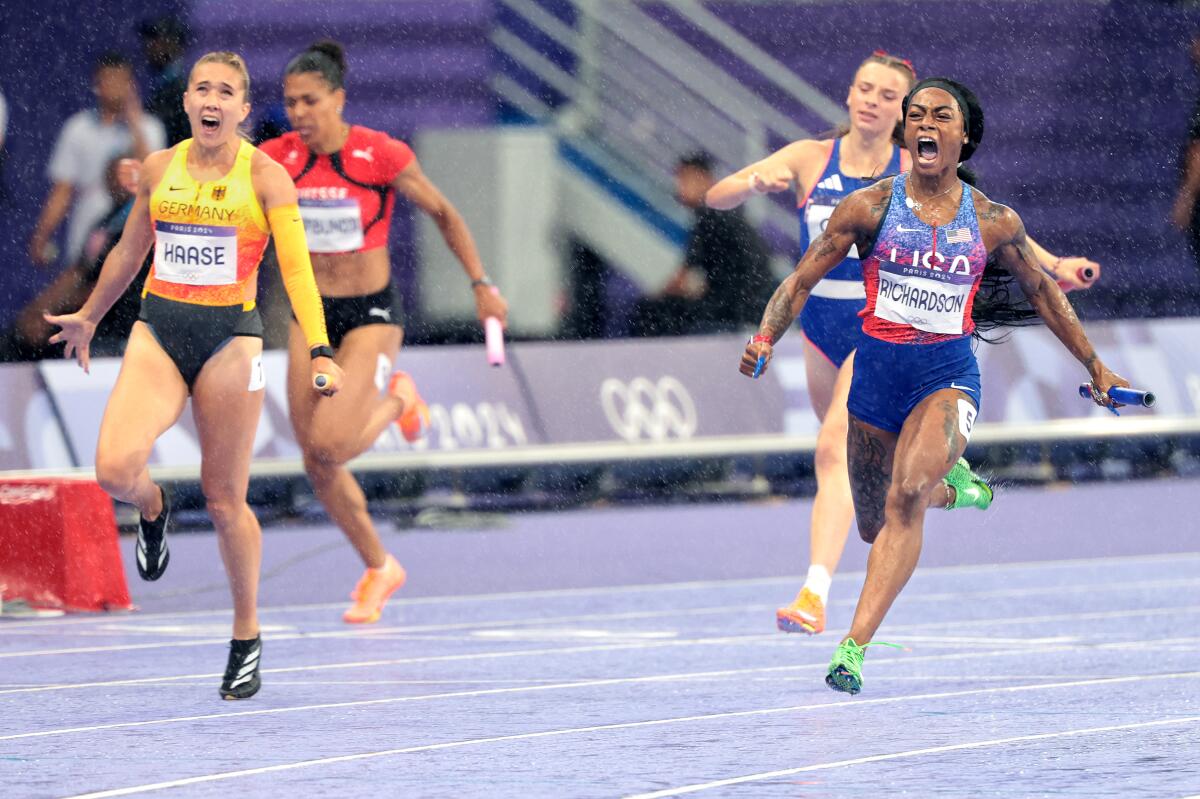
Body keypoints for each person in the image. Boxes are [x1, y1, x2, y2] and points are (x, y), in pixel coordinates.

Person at [739, 77, 1128, 695]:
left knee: (907, 496)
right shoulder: (868, 207)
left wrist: (1096, 367)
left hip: (945, 379)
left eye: (940, 115)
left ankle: (852, 649)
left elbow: (1045, 295)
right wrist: (765, 336)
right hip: (875, 380)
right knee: (874, 524)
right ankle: (960, 487)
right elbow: (802, 277)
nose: (925, 123)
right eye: (915, 114)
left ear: (961, 137)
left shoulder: (993, 221)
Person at [45, 51, 342, 701]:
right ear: (186, 104)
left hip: (231, 343)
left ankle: (245, 634)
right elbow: (130, 250)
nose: (212, 99)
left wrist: (319, 348)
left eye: (226, 91)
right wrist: (92, 316)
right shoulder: (158, 169)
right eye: (201, 88)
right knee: (114, 470)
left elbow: (297, 273)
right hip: (158, 331)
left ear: (240, 109)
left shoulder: (266, 180)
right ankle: (153, 507)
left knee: (224, 499)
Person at [258, 41, 508, 624]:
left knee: (331, 444)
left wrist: (481, 283)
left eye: (310, 101)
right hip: (310, 316)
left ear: (338, 99)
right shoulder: (275, 159)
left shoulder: (380, 154)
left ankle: (400, 397)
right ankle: (379, 567)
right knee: (315, 463)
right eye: (290, 102)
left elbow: (445, 213)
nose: (298, 112)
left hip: (371, 314)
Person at [30, 52, 165, 270]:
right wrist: (42, 234)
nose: (115, 87)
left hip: (132, 232)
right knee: (82, 292)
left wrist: (134, 124)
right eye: (108, 80)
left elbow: (154, 178)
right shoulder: (78, 128)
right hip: (86, 231)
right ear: (97, 84)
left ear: (131, 85)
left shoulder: (151, 128)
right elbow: (62, 191)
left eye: (121, 80)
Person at [630, 151, 773, 337]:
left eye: (685, 179)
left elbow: (683, 277)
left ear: (706, 179)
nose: (679, 186)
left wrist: (661, 295)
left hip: (736, 306)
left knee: (651, 310)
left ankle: (655, 362)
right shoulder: (726, 209)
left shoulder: (709, 215)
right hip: (750, 302)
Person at [137, 16, 192, 146]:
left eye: (157, 40)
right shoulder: (163, 88)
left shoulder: (182, 92)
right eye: (149, 40)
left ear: (174, 45)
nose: (149, 47)